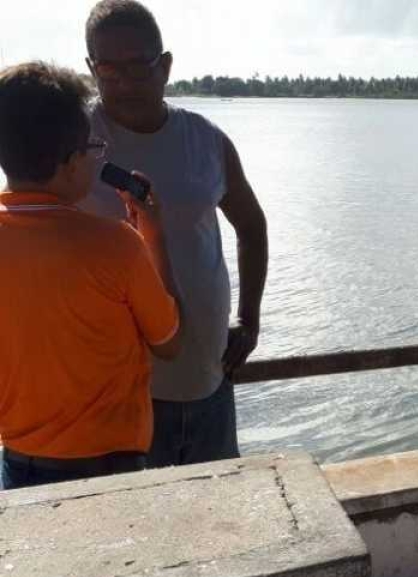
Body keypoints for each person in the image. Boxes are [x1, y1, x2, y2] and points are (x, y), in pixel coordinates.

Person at [81, 0, 268, 467]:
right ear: (90, 69)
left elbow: (251, 225)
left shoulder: (206, 140)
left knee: (222, 521)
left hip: (209, 382)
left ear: (165, 66)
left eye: (139, 67)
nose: (124, 83)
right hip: (119, 399)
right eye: (108, 69)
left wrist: (249, 319)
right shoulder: (71, 142)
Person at [0, 61, 182, 490]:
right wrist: (152, 237)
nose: (94, 158)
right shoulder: (118, 244)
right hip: (107, 471)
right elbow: (171, 342)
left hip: (17, 462)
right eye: (91, 148)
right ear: (69, 163)